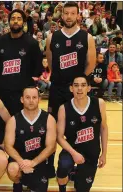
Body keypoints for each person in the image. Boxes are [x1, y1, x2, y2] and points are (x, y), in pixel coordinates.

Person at [45, 2, 96, 178]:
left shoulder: (86, 37)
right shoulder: (52, 37)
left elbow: (91, 63)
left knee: (78, 127)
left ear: (77, 16)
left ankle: (77, 164)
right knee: (51, 126)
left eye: (72, 13)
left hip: (76, 91)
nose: (68, 16)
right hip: (57, 88)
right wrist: (60, 78)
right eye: (66, 13)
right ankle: (48, 165)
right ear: (62, 15)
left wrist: (77, 84)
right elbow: (51, 63)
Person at [0, 9, 42, 145]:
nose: (15, 21)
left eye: (19, 18)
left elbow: (37, 69)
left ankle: (20, 158)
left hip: (22, 94)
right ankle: (1, 159)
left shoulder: (31, 43)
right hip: (3, 93)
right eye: (13, 18)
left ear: (24, 22)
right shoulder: (0, 42)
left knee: (22, 127)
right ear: (8, 21)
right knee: (3, 127)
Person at [56, 75, 108, 192]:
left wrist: (104, 154)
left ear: (89, 88)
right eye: (76, 85)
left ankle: (75, 174)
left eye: (83, 85)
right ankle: (62, 186)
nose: (80, 89)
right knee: (64, 166)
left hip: (91, 151)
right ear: (71, 88)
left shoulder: (99, 103)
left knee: (82, 188)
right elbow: (59, 137)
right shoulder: (63, 108)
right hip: (71, 148)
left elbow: (103, 128)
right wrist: (74, 153)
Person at [5, 86, 57, 192]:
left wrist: (33, 162)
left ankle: (32, 181)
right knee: (12, 168)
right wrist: (21, 162)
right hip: (20, 160)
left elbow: (51, 147)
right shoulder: (13, 120)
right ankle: (17, 183)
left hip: (40, 160)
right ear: (22, 99)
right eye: (27, 97)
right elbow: (8, 146)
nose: (31, 100)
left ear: (39, 99)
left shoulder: (49, 119)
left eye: (34, 97)